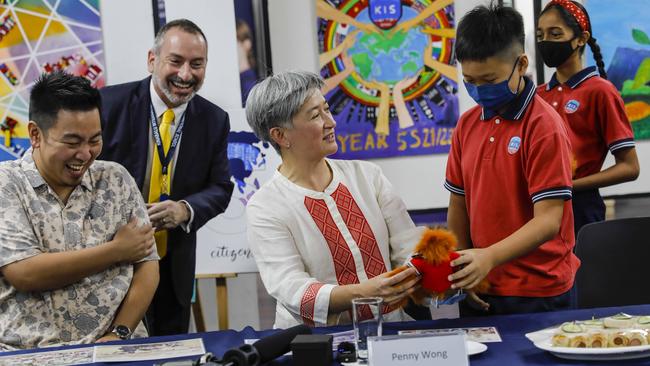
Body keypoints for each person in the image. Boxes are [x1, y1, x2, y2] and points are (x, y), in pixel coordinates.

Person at [245, 71, 422, 328]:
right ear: (281, 136)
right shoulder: (265, 206)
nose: (331, 122)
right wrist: (363, 292)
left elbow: (409, 246)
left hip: (391, 331)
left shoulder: (367, 176)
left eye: (327, 109)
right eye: (316, 115)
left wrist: (434, 274)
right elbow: (290, 287)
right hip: (317, 345)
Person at [0, 72, 159, 350]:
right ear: (35, 135)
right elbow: (24, 272)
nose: (85, 154)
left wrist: (120, 333)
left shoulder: (115, 179)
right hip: (30, 354)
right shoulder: (7, 185)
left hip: (114, 351)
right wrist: (116, 251)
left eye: (94, 140)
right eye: (72, 143)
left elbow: (147, 265)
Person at [99, 19, 234, 336]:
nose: (186, 75)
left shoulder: (214, 120)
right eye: (176, 61)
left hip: (173, 269)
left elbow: (221, 187)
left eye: (196, 64)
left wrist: (185, 209)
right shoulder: (107, 106)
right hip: (110, 266)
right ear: (152, 60)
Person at [444, 4, 579, 315]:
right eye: (470, 81)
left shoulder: (543, 126)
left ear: (521, 64)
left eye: (489, 80)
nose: (479, 90)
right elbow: (458, 204)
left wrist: (488, 257)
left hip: (538, 291)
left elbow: (548, 220)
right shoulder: (466, 125)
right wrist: (465, 269)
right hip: (482, 284)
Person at [536, 0, 640, 236]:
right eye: (541, 35)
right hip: (539, 206)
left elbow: (630, 167)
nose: (546, 42)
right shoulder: (538, 95)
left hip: (581, 208)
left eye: (555, 34)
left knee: (581, 273)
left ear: (581, 39)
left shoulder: (601, 91)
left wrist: (570, 186)